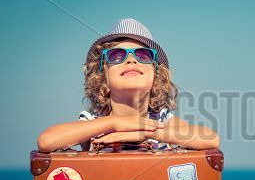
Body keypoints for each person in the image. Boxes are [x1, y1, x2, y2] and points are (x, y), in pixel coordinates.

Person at [37, 18, 220, 152]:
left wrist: (148, 133)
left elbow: (211, 138)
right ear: (103, 80)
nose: (131, 60)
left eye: (143, 55)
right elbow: (47, 141)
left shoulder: (161, 119)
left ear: (155, 78)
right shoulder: (94, 121)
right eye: (117, 55)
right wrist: (115, 123)